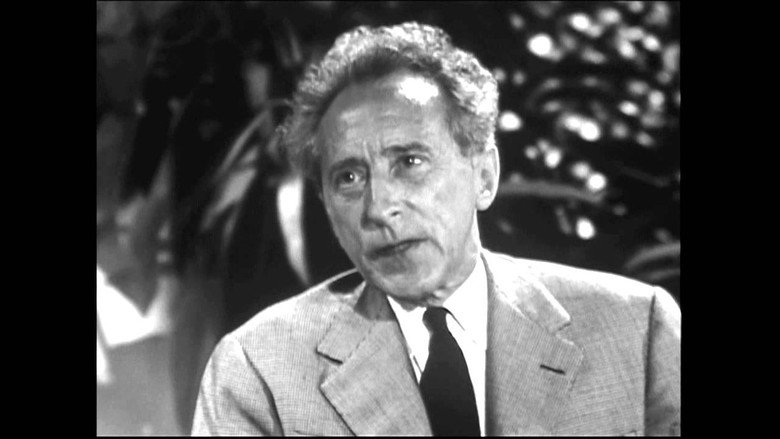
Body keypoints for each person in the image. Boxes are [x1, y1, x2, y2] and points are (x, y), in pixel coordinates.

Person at [192, 22, 680, 436]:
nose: (379, 208)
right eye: (349, 178)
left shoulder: (638, 330)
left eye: (409, 162)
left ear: (484, 177)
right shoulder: (260, 368)